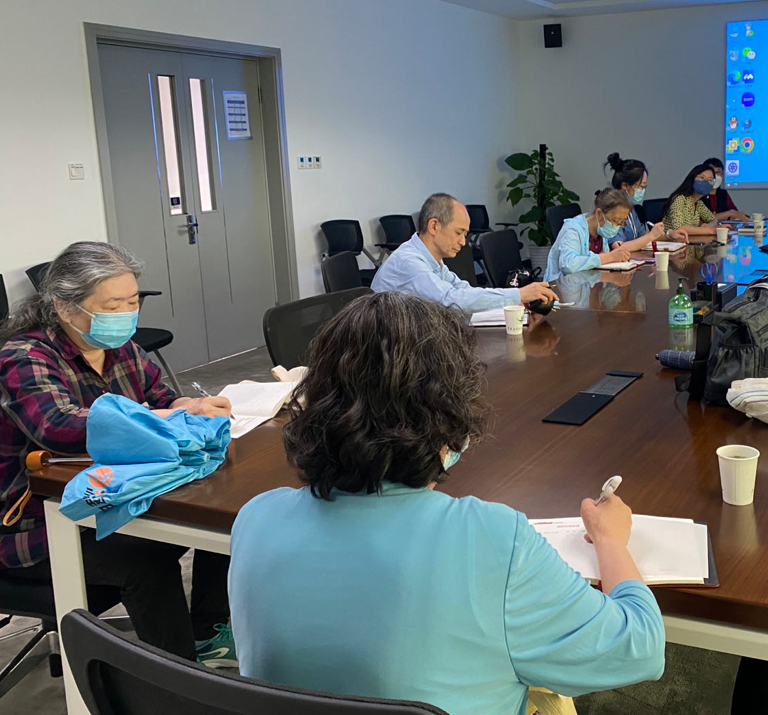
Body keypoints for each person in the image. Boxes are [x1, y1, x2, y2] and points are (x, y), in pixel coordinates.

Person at [228, 291, 665, 715]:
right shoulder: (492, 541)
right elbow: (640, 648)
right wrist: (609, 540)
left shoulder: (255, 519)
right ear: (451, 414)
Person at [0, 242, 236, 666]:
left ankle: (206, 634)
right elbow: (58, 426)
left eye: (132, 302)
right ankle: (177, 683)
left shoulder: (121, 348)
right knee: (145, 560)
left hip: (115, 493)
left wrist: (190, 406)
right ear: (64, 307)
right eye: (113, 306)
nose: (127, 314)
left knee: (224, 512)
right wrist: (163, 415)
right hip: (39, 520)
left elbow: (161, 397)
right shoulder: (23, 356)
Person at [371, 193, 557, 313]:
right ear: (434, 226)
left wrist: (512, 299)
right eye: (458, 232)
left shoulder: (432, 260)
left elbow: (463, 290)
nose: (463, 242)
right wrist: (518, 295)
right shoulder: (409, 261)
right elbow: (450, 300)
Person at [546, 188, 649, 281]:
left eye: (621, 223)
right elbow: (568, 265)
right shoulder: (573, 229)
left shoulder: (601, 232)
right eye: (614, 220)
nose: (616, 226)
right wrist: (610, 256)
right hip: (562, 289)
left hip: (589, 285)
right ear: (599, 213)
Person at [605, 153, 689, 247]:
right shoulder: (611, 209)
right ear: (624, 185)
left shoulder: (631, 208)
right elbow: (619, 247)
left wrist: (670, 235)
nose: (642, 190)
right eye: (641, 186)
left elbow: (642, 238)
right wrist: (651, 235)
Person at [661, 163, 722, 239]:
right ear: (692, 178)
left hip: (689, 242)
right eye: (702, 177)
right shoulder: (679, 198)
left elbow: (714, 220)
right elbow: (679, 228)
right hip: (671, 243)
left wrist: (708, 226)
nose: (706, 182)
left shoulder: (698, 203)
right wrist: (711, 230)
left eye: (710, 180)